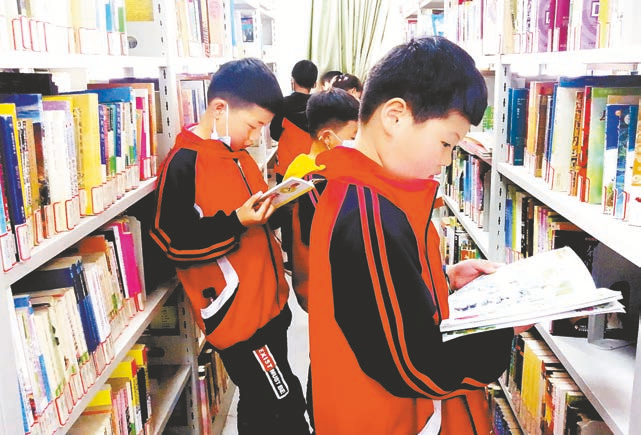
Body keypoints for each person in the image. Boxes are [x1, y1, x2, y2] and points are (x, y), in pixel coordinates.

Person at [307, 36, 527, 434]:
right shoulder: (368, 215)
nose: (445, 160)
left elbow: (373, 296)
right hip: (389, 421)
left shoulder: (372, 193)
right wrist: (501, 328)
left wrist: (442, 279)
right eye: (446, 143)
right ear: (395, 116)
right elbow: (413, 365)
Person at [150, 58, 310, 435]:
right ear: (220, 109)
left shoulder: (238, 155)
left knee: (260, 404)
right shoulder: (184, 163)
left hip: (270, 305)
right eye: (253, 126)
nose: (256, 137)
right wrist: (237, 221)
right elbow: (173, 243)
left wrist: (275, 207)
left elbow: (251, 220)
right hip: (238, 318)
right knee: (284, 404)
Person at [270, 59, 318, 142]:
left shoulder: (282, 104)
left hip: (288, 149)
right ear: (315, 84)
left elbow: (274, 134)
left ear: (292, 80)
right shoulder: (319, 104)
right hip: (314, 149)